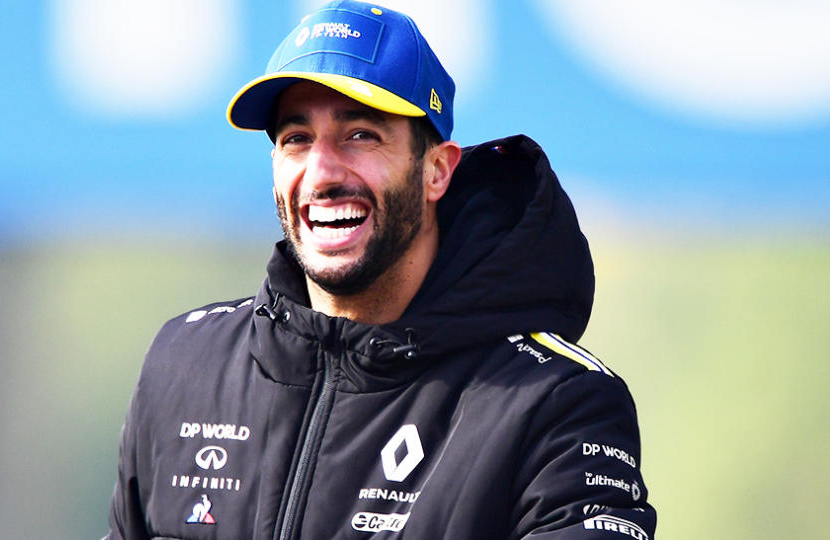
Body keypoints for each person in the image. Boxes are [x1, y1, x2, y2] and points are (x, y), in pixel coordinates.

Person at [106, 1, 656, 538]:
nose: (321, 173)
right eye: (296, 138)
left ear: (437, 170)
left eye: (360, 135)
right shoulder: (185, 361)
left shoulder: (554, 399)